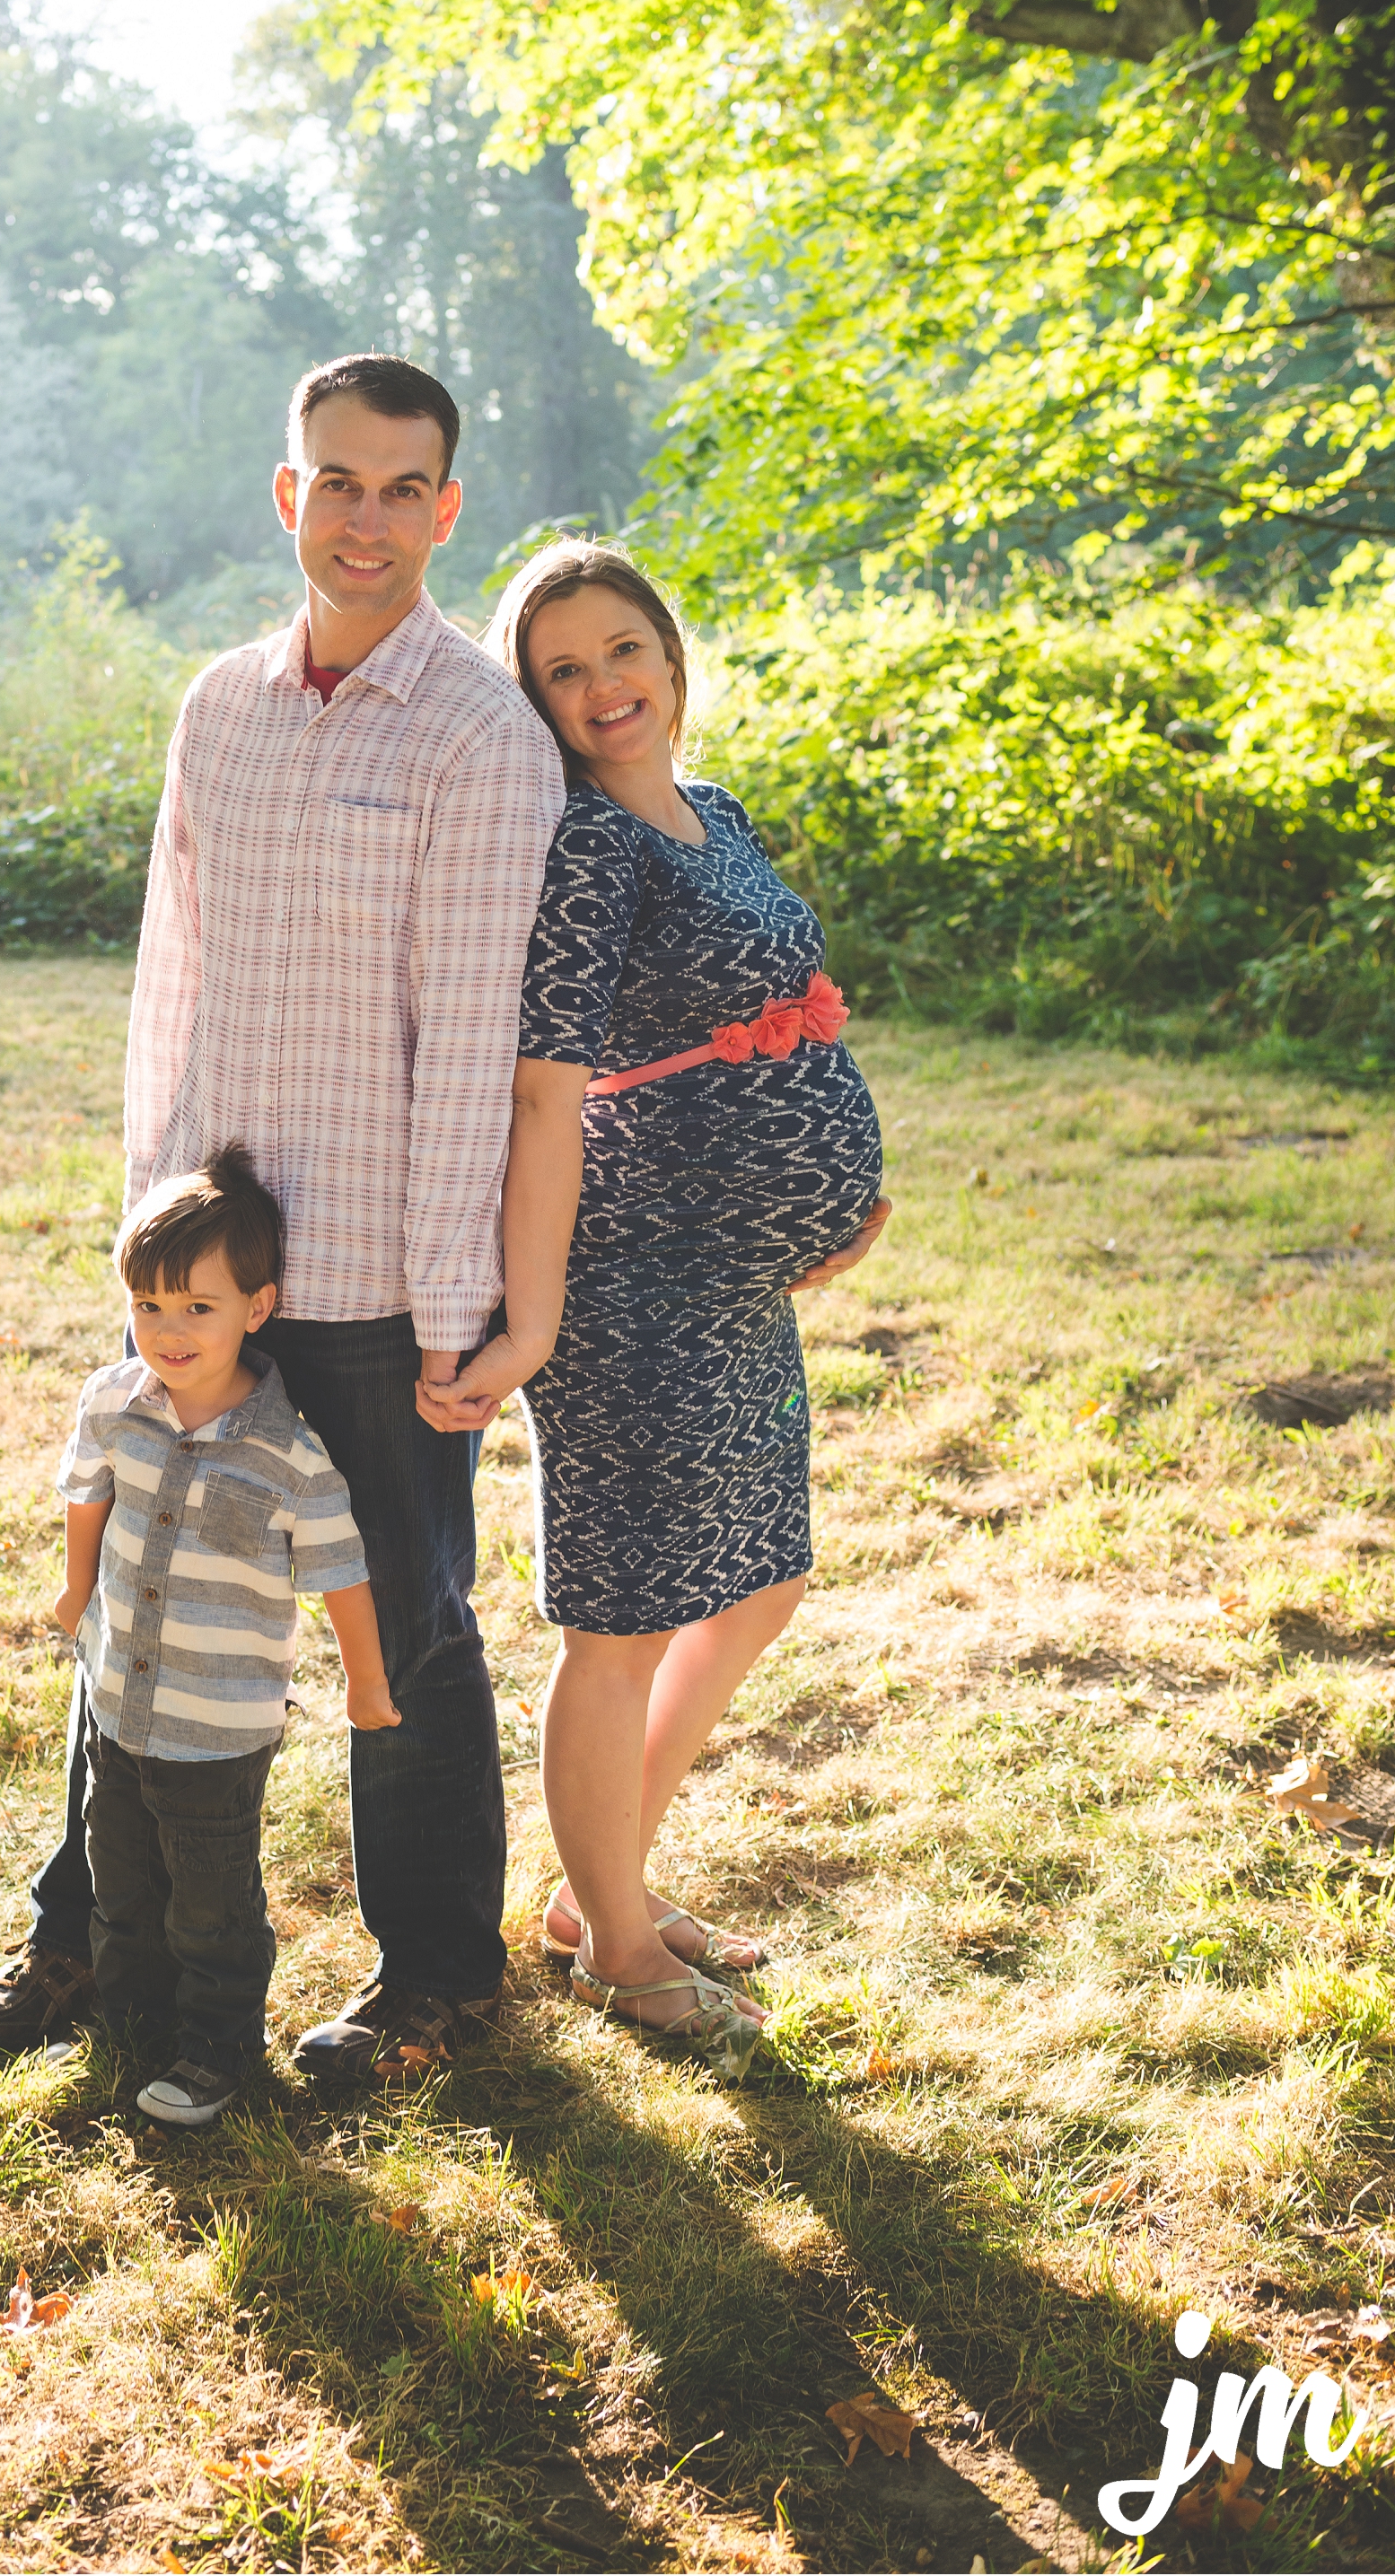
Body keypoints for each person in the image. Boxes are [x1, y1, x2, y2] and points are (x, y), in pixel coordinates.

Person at [0, 353, 566, 2081]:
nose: (363, 519)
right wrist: (152, 1234)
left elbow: (472, 1049)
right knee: (137, 1599)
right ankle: (81, 1940)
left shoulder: (480, 738)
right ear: (288, 495)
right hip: (206, 1269)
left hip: (369, 1277)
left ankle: (434, 1980)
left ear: (445, 511)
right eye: (333, 482)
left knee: (407, 1631)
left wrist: (458, 1300)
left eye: (400, 489)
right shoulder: (216, 704)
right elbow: (172, 977)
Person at [422, 540, 891, 2075]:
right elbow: (546, 1096)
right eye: (561, 670)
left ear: (669, 656)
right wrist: (535, 1320)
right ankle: (615, 1947)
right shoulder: (583, 853)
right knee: (619, 1617)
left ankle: (594, 1889)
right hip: (629, 1279)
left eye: (619, 649)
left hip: (732, 1278)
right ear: (535, 704)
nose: (600, 686)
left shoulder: (716, 815)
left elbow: (767, 1023)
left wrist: (833, 1181)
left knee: (756, 1581)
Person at [52, 1148, 396, 2129]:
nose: (167, 1329)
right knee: (117, 1877)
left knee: (210, 1902)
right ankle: (133, 2021)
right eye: (148, 1303)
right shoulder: (113, 1402)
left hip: (218, 1724)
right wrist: (77, 1587)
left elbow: (341, 1572)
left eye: (197, 1307)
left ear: (259, 1304)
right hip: (118, 1696)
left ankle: (215, 2050)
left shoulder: (288, 1453)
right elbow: (87, 1495)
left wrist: (365, 1686)